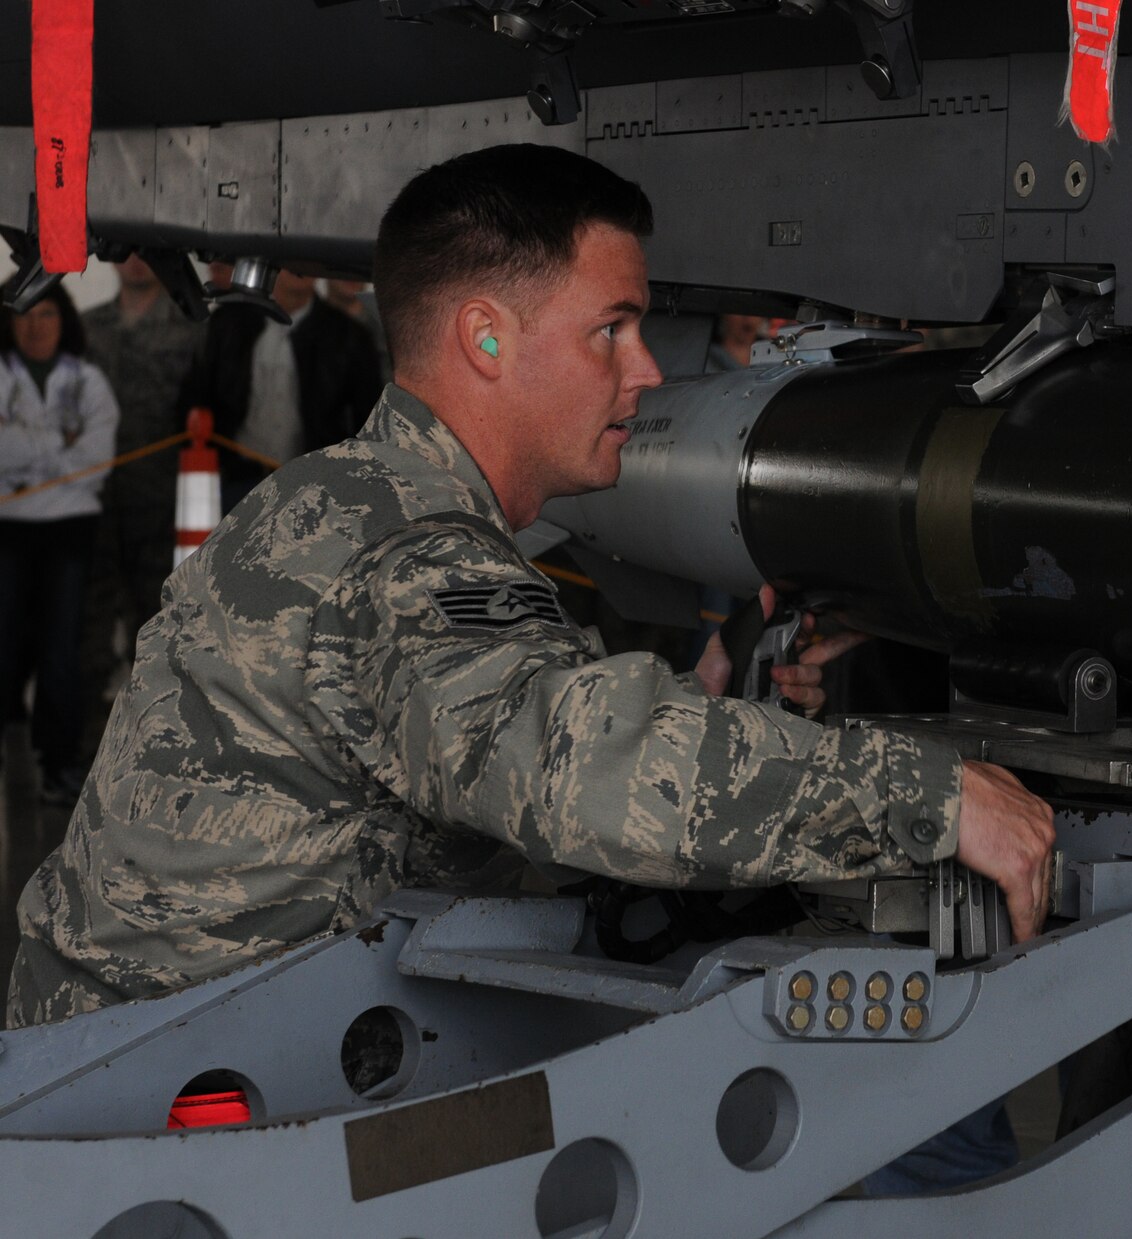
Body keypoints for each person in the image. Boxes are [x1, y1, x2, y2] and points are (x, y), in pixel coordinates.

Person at [6, 143, 1055, 1031]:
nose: (644, 371)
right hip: (187, 1090)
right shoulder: (407, 546)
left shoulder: (346, 494)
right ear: (486, 336)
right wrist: (928, 794)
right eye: (612, 329)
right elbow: (572, 763)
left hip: (116, 1046)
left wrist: (714, 710)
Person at [0, 284, 120, 804]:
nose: (35, 325)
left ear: (63, 319)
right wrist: (57, 451)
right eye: (25, 314)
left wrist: (24, 460)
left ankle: (59, 764)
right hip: (7, 528)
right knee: (3, 643)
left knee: (60, 649)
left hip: (70, 528)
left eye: (46, 313)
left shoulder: (88, 381)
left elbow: (96, 460)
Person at [179, 265, 383, 509]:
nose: (300, 268)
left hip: (314, 491)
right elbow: (195, 400)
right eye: (290, 258)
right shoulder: (227, 324)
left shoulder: (348, 335)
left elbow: (371, 424)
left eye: (308, 258)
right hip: (236, 485)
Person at [82, 255, 205, 630]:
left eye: (147, 252)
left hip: (161, 498)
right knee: (90, 617)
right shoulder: (87, 327)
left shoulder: (194, 327)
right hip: (94, 498)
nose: (135, 261)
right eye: (127, 250)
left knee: (157, 618)